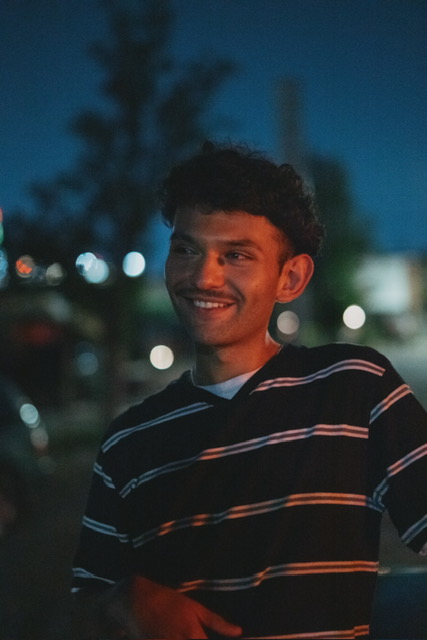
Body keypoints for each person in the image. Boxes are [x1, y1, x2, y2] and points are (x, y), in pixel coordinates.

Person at [72, 142, 427, 639]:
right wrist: (125, 600)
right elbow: (87, 601)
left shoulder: (355, 389)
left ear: (291, 277)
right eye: (186, 249)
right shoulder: (128, 442)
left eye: (235, 255)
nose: (203, 276)